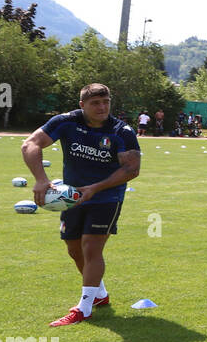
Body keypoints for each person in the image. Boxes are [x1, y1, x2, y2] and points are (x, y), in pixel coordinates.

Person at [20, 83, 141, 326]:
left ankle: (84, 308)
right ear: (82, 105)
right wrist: (41, 180)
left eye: (106, 102)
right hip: (71, 197)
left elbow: (132, 169)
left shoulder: (121, 131)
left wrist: (95, 188)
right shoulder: (66, 122)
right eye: (95, 103)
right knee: (74, 249)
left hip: (107, 196)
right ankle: (99, 295)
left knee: (91, 247)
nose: (102, 107)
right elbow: (30, 144)